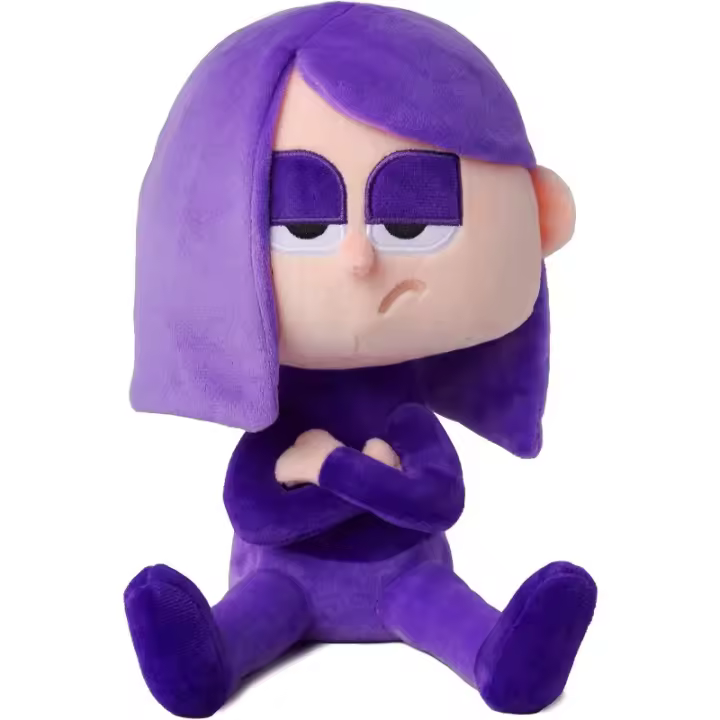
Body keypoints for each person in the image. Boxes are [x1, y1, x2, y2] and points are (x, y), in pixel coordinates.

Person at [125, 4, 597, 717]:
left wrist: (327, 469)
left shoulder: (402, 413)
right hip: (285, 580)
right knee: (257, 606)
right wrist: (368, 477)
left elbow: (439, 502)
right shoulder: (280, 414)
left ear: (543, 216)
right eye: (305, 222)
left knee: (442, 602)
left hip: (407, 577)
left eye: (409, 219)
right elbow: (254, 513)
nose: (357, 259)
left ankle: (507, 661)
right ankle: (203, 659)